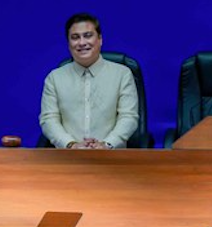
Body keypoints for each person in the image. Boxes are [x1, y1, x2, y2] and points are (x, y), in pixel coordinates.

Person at [39, 13, 139, 149]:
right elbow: (49, 119)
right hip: (68, 159)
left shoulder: (122, 74)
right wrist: (71, 145)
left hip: (113, 158)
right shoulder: (54, 78)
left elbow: (129, 117)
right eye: (75, 37)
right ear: (68, 44)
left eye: (88, 35)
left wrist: (107, 144)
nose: (81, 42)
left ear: (100, 39)